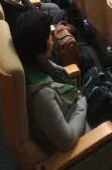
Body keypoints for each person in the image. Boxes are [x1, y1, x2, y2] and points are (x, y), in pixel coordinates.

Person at [12, 10, 89, 153]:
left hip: (69, 109)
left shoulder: (34, 63)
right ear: (41, 45)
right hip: (78, 150)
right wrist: (82, 102)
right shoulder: (41, 95)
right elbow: (67, 141)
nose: (52, 39)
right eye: (49, 36)